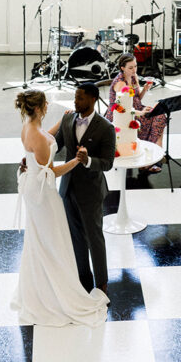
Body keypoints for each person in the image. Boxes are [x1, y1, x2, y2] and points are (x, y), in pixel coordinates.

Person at [11, 89, 109, 327]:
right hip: (44, 195)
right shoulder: (40, 138)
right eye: (45, 104)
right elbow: (51, 172)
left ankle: (41, 287)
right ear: (37, 108)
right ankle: (57, 292)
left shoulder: (28, 128)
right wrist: (76, 161)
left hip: (33, 189)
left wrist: (62, 120)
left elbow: (46, 139)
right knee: (54, 240)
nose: (47, 106)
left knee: (39, 240)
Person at [54, 81, 116, 295]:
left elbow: (108, 163)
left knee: (94, 238)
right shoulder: (68, 119)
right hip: (68, 188)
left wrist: (89, 161)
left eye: (80, 97)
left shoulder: (106, 127)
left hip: (90, 192)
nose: (75, 101)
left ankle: (101, 283)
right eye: (75, 96)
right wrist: (33, 156)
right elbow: (54, 146)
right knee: (76, 237)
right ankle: (83, 278)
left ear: (92, 99)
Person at [107, 53, 167, 172]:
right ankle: (149, 160)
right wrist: (142, 112)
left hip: (136, 109)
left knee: (160, 117)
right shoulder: (121, 83)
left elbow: (137, 98)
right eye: (131, 67)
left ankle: (152, 157)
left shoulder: (133, 77)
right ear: (122, 68)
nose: (134, 70)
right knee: (156, 120)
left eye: (136, 66)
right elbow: (123, 109)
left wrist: (144, 89)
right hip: (123, 115)